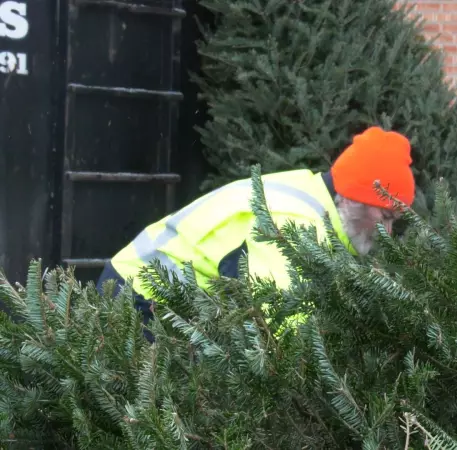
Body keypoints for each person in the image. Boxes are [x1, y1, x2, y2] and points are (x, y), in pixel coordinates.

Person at [96, 126, 415, 340]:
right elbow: (281, 325)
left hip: (163, 296)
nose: (386, 232)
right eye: (385, 216)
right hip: (140, 296)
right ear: (354, 197)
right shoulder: (296, 221)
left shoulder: (314, 200)